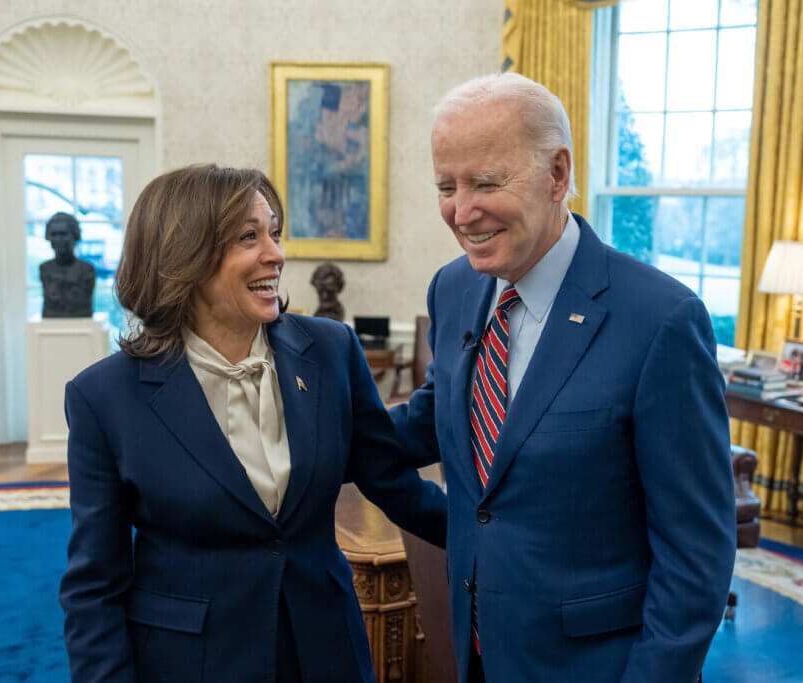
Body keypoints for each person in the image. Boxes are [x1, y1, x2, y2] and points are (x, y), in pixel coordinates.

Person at [390, 74, 735, 682]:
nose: (461, 211)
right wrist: (308, 427)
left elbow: (696, 559)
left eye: (485, 182)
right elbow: (436, 417)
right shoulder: (454, 287)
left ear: (557, 174)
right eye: (447, 186)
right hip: (475, 651)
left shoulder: (662, 320)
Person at [59, 164, 446, 683]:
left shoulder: (330, 351)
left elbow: (391, 479)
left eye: (274, 233)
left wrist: (502, 537)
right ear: (183, 257)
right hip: (191, 661)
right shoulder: (102, 397)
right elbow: (94, 588)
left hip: (326, 648)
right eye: (249, 236)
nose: (276, 254)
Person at [40, 211, 96, 318]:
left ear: (75, 236)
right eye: (54, 234)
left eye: (63, 234)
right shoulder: (45, 269)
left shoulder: (87, 270)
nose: (58, 239)